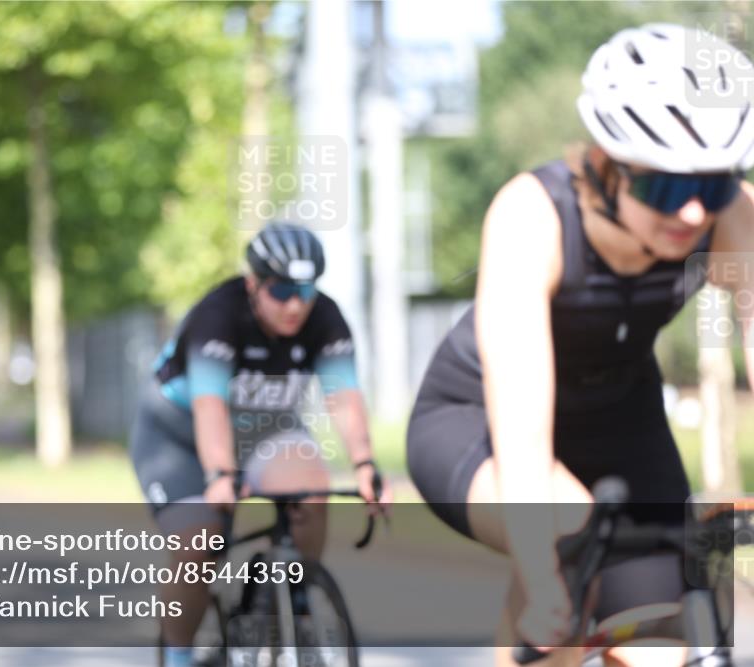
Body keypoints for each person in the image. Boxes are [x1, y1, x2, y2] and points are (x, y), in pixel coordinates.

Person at [406, 23, 754, 667]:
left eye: (710, 186)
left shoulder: (733, 217)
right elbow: (523, 433)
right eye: (666, 188)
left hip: (623, 421)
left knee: (659, 652)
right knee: (564, 549)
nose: (691, 215)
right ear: (604, 165)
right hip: (477, 421)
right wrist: (540, 576)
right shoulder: (532, 217)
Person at [130, 221, 390, 667]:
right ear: (253, 284)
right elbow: (210, 406)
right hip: (180, 438)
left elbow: (344, 396)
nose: (295, 305)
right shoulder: (219, 314)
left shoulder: (325, 317)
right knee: (201, 538)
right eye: (282, 291)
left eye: (305, 292)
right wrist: (218, 476)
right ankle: (177, 654)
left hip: (262, 432)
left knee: (310, 488)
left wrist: (366, 465)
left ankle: (298, 599)